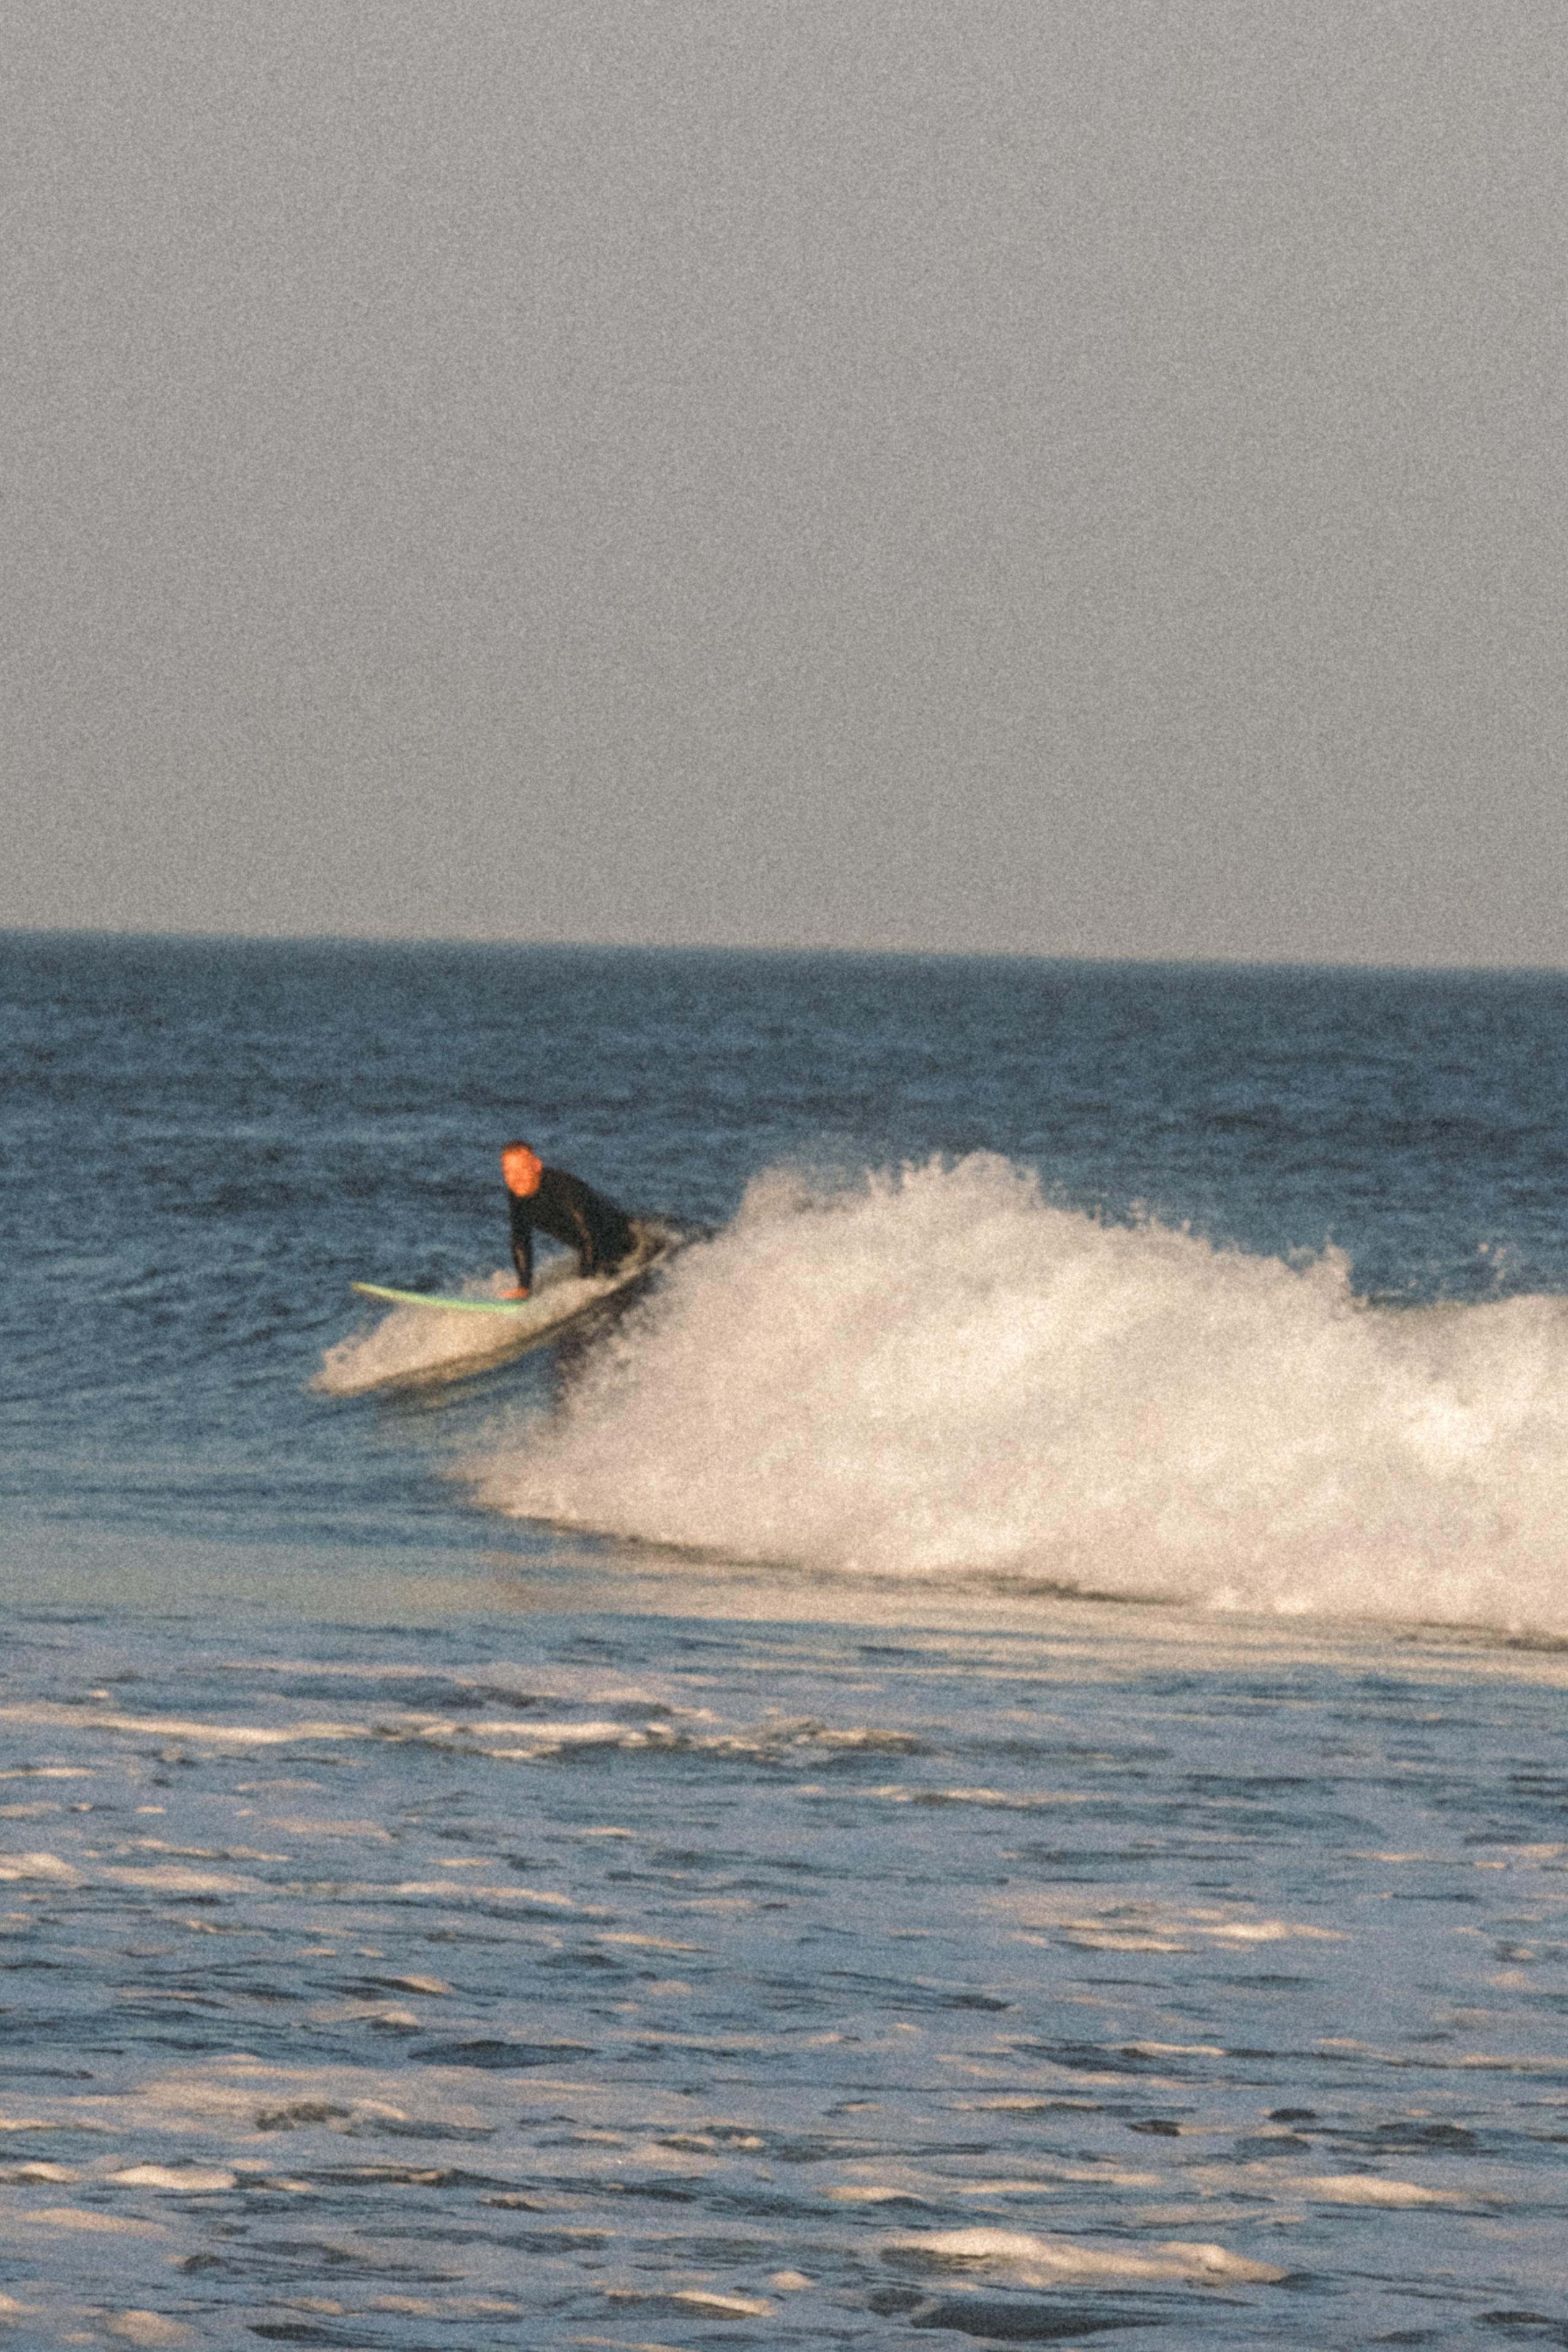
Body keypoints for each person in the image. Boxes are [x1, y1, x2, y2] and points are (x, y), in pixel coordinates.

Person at [500, 1141, 640, 1297]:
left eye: (522, 1169)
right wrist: (524, 1287)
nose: (516, 1178)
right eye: (509, 1172)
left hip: (629, 1248)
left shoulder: (565, 1189)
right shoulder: (517, 1196)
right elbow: (521, 1240)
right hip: (595, 1253)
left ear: (537, 1166)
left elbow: (590, 1237)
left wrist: (584, 1287)